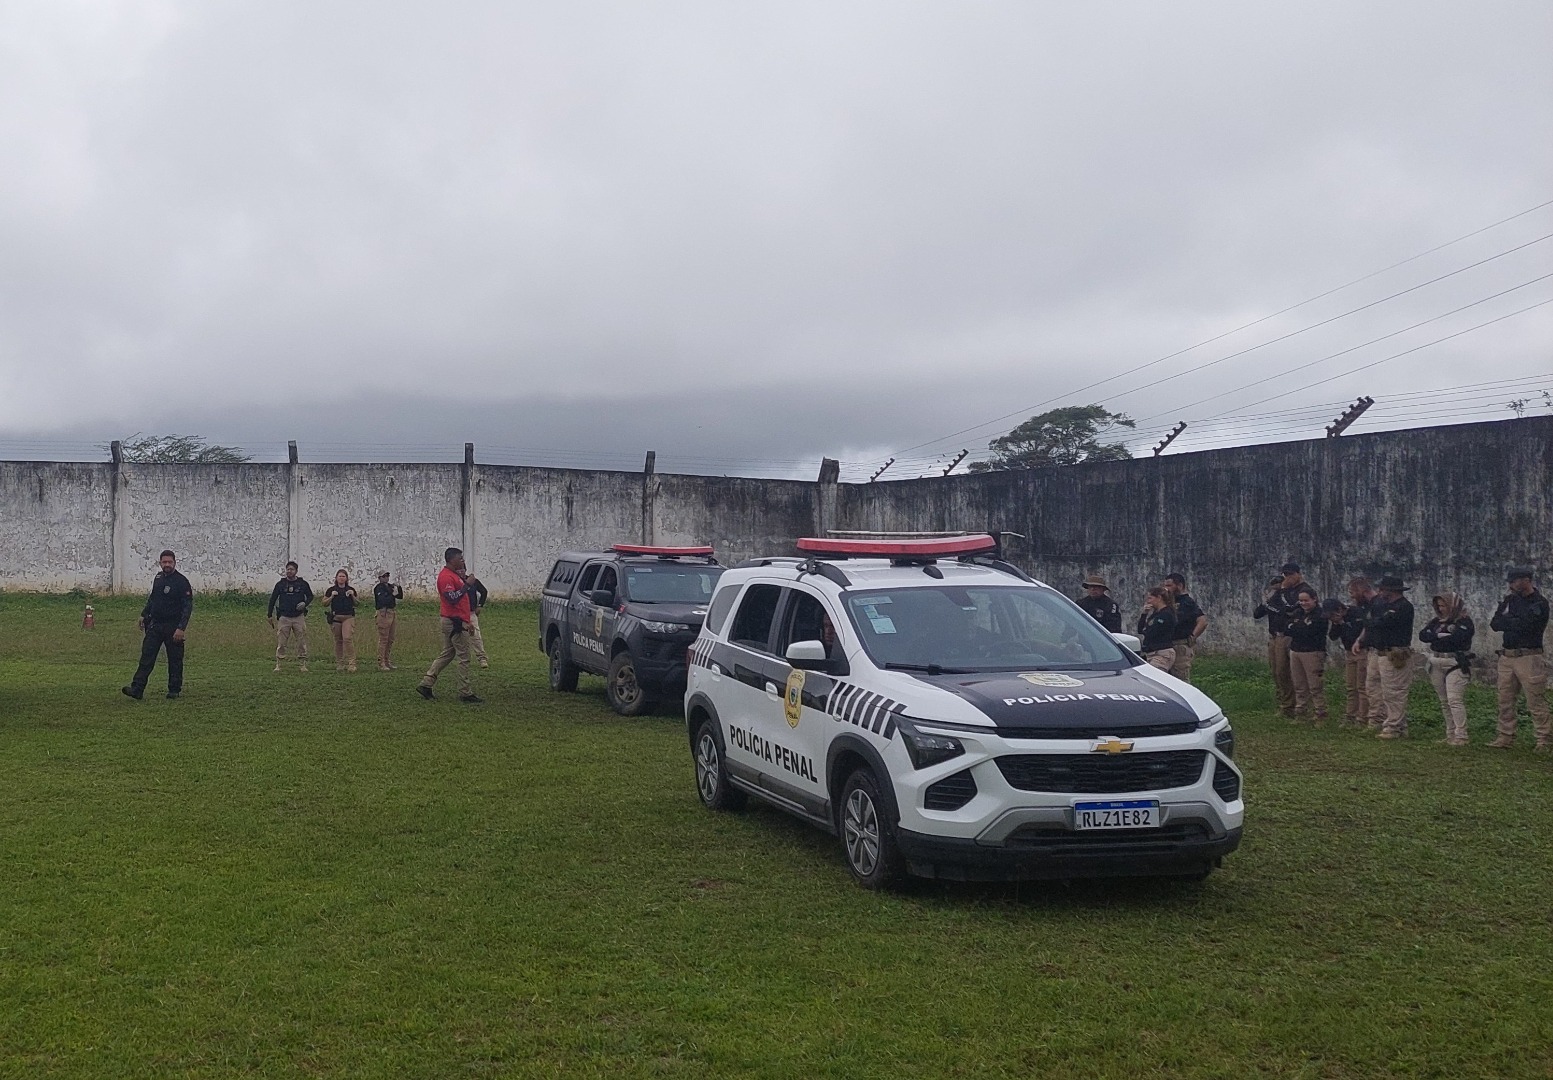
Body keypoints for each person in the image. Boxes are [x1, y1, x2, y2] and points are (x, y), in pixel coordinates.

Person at [1488, 567, 1550, 750]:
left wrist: (1510, 621)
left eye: (1513, 581)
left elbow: (1528, 626)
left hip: (1529, 657)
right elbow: (1495, 623)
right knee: (1504, 698)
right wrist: (1513, 621)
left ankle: (1544, 739)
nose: (1510, 585)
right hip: (1507, 656)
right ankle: (1505, 736)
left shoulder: (1539, 603)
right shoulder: (1509, 601)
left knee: (1535, 700)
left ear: (1526, 580)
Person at [121, 549, 193, 700]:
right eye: (164, 562)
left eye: (170, 562)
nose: (167, 565)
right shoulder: (159, 578)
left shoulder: (181, 582)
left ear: (175, 563)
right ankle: (137, 689)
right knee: (147, 657)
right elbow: (153, 599)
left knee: (175, 660)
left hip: (173, 627)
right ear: (160, 563)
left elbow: (187, 607)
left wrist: (181, 628)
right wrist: (143, 614)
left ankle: (174, 690)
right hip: (156, 625)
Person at [418, 547, 483, 703]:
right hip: (454, 622)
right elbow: (452, 598)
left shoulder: (454, 575)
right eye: (460, 558)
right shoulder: (446, 577)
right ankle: (465, 692)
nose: (462, 561)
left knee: (448, 653)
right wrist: (467, 585)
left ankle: (427, 683)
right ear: (451, 559)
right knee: (464, 656)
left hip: (457, 620)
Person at [1354, 575, 1415, 740]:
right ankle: (1395, 725)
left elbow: (1379, 623)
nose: (1379, 592)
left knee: (1395, 692)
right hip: (1382, 652)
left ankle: (1394, 727)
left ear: (1391, 591)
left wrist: (1369, 620)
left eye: (1383, 589)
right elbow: (1373, 622)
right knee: (1383, 691)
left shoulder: (1403, 607)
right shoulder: (1386, 605)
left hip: (1394, 653)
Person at [1419, 592, 1474, 747]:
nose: (1441, 609)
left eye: (1444, 606)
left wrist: (1439, 635)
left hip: (1455, 661)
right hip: (1437, 660)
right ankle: (1450, 733)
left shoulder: (1464, 621)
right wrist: (1440, 634)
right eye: (1439, 606)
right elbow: (1423, 635)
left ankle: (1461, 735)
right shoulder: (1436, 621)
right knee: (1444, 701)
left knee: (1454, 699)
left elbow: (1459, 638)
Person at [1253, 562, 1305, 718]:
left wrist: (1281, 592)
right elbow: (1258, 613)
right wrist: (1271, 597)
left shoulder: (1301, 591)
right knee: (1277, 672)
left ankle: (1293, 705)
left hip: (1286, 635)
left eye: (1290, 575)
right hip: (1274, 636)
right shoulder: (1276, 595)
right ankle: (1284, 703)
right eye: (1285, 575)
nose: (1287, 578)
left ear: (1298, 574)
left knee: (1285, 671)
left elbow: (1289, 610)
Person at [1332, 579, 1376, 727]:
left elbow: (1355, 635)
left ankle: (1362, 717)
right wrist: (1337, 624)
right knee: (1351, 687)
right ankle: (1350, 715)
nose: (1351, 596)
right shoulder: (1341, 618)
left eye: (1352, 592)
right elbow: (1333, 636)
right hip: (1349, 652)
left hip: (1361, 651)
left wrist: (1344, 624)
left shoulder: (1358, 613)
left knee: (1362, 686)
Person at [1285, 588, 1329, 724]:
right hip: (1296, 651)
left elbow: (1310, 632)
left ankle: (1320, 713)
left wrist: (1297, 627)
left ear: (1314, 599)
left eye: (1306, 600)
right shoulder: (1298, 612)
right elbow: (1287, 628)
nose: (1303, 603)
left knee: (1315, 685)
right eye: (1301, 600)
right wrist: (1300, 627)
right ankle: (1301, 712)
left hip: (1312, 652)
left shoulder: (1321, 615)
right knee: (1299, 684)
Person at [267, 561, 313, 673]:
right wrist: (269, 615)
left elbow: (310, 596)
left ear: (296, 571)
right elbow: (273, 599)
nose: (289, 571)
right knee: (281, 642)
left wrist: (305, 603)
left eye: (292, 569)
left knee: (301, 641)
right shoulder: (280, 584)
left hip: (298, 617)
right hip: (284, 617)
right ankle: (279, 664)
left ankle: (303, 664)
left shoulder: (302, 584)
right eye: (288, 569)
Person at [1162, 572, 1207, 683]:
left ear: (1180, 586)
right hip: (1166, 645)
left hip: (1180, 646)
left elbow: (1202, 621)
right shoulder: (1167, 602)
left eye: (1169, 585)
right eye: (1165, 586)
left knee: (1180, 680)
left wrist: (1192, 637)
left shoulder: (1187, 602)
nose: (1166, 589)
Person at [323, 569, 359, 673]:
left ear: (346, 578)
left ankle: (352, 663)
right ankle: (340, 663)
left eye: (343, 576)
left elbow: (357, 603)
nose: (341, 578)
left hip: (348, 616)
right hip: (336, 617)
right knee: (338, 640)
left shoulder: (351, 589)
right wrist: (331, 597)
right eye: (340, 576)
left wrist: (352, 595)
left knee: (347, 638)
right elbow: (324, 603)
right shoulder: (331, 590)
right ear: (336, 578)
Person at [1135, 587, 1178, 671]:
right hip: (1151, 652)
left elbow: (1153, 632)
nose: (1148, 601)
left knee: (1153, 675)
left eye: (1150, 598)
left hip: (1162, 652)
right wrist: (1144, 614)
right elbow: (1140, 630)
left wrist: (1147, 631)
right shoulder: (1155, 615)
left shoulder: (1167, 614)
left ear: (1159, 598)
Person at [373, 570, 404, 671]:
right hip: (383, 613)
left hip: (391, 612)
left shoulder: (390, 586)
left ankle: (387, 660)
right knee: (384, 638)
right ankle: (381, 661)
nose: (386, 578)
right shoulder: (378, 588)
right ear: (380, 578)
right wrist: (392, 594)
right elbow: (382, 600)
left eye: (387, 575)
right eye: (384, 576)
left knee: (391, 638)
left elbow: (400, 596)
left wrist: (399, 588)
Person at [466, 571, 490, 669]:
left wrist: (480, 605)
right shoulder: (456, 582)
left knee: (475, 635)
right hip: (458, 613)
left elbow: (484, 591)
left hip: (471, 612)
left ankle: (482, 658)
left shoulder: (473, 581)